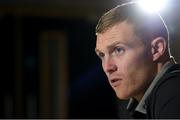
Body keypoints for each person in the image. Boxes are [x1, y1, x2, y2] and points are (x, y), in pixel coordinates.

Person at [95, 2, 180, 119]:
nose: (107, 67)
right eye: (102, 55)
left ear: (156, 49)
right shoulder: (133, 104)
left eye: (119, 50)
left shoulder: (174, 91)